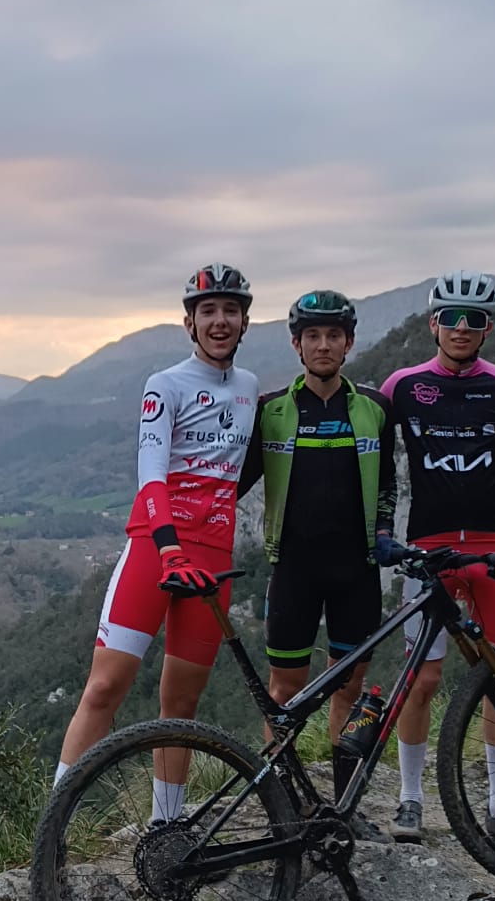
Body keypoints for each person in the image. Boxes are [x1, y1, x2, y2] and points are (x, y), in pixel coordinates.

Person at [55, 263, 258, 819]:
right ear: (190, 322)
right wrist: (168, 545)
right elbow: (151, 470)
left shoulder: (249, 389)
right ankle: (53, 826)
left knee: (181, 705)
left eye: (230, 311)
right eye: (208, 311)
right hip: (156, 545)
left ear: (245, 321)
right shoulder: (163, 384)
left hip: (213, 555)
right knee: (105, 687)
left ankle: (165, 825)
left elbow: (245, 468)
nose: (220, 321)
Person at [380, 270, 495, 858]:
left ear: (489, 327)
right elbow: (380, 466)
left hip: (491, 549)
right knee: (421, 678)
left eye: (474, 320)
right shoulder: (401, 385)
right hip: (429, 548)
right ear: (433, 324)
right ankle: (410, 799)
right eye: (451, 318)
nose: (462, 328)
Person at [238, 290, 399, 800]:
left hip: (358, 570)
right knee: (283, 693)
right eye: (313, 336)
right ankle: (281, 803)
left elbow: (388, 482)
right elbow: (234, 483)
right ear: (296, 344)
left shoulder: (374, 408)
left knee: (348, 691)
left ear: (349, 343)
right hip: (295, 571)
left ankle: (345, 804)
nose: (323, 345)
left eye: (333, 336)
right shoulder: (272, 412)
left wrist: (386, 533)